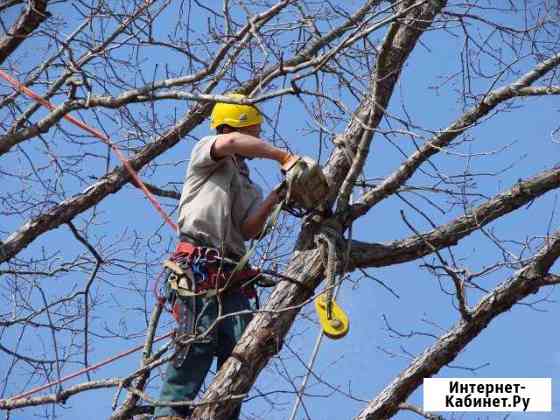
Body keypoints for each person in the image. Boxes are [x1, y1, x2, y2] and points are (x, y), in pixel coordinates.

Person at [154, 94, 299, 420]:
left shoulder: (248, 185)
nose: (256, 140)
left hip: (232, 274)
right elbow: (231, 141)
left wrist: (279, 194)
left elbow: (248, 228)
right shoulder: (208, 152)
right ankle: (169, 412)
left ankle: (223, 414)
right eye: (254, 132)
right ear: (238, 125)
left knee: (243, 348)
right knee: (199, 339)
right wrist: (283, 156)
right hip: (197, 266)